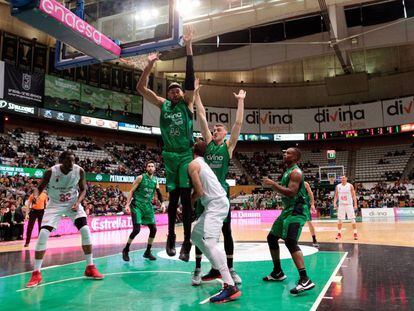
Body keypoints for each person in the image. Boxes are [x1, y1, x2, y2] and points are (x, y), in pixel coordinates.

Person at [137, 26, 195, 261]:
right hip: (169, 155)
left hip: (185, 154)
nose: (174, 92)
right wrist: (149, 65)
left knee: (184, 196)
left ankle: (187, 242)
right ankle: (171, 236)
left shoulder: (187, 103)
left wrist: (189, 46)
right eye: (171, 90)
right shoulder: (164, 105)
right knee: (172, 199)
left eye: (177, 89)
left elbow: (190, 81)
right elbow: (141, 88)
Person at [191, 79, 245, 286]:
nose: (215, 131)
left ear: (225, 134)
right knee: (199, 231)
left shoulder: (228, 147)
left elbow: (238, 124)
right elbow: (202, 115)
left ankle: (229, 268)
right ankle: (198, 269)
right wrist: (196, 94)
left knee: (226, 232)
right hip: (202, 192)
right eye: (214, 130)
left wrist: (240, 101)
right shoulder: (207, 144)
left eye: (219, 129)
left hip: (220, 193)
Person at [26, 151, 103, 288]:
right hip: (54, 205)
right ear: (61, 161)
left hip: (73, 203)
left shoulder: (79, 171)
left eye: (73, 161)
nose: (71, 164)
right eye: (68, 161)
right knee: (43, 234)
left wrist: (78, 202)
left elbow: (83, 189)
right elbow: (38, 188)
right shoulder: (51, 172)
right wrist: (36, 197)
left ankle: (90, 267)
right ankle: (36, 273)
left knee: (85, 230)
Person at [189, 141, 241, 303]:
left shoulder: (193, 164)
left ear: (193, 151)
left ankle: (230, 286)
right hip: (215, 203)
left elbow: (199, 192)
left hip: (216, 205)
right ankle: (217, 269)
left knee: (210, 243)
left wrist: (188, 204)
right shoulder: (203, 163)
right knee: (195, 236)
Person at [262, 148, 315, 295]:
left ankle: (305, 279)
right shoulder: (287, 171)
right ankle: (278, 272)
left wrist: (273, 184)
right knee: (272, 238)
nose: (285, 154)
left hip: (297, 210)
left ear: (296, 157)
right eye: (284, 152)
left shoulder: (296, 172)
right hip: (287, 210)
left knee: (291, 241)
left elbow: (291, 193)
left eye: (289, 153)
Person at [122, 161, 163, 261]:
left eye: (152, 166)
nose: (150, 167)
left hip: (148, 207)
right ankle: (126, 250)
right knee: (136, 230)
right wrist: (127, 204)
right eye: (148, 166)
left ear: (154, 168)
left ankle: (148, 252)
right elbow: (131, 191)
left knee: (153, 229)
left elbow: (158, 193)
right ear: (146, 168)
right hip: (137, 206)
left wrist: (162, 204)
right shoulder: (140, 178)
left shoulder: (155, 180)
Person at [334, 176, 358, 240]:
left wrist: (355, 204)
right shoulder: (338, 186)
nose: (343, 179)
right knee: (340, 220)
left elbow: (354, 196)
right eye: (342, 179)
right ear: (341, 180)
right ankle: (339, 234)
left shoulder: (350, 186)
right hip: (341, 205)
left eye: (344, 178)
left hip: (349, 205)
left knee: (352, 219)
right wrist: (334, 203)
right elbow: (336, 195)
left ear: (346, 179)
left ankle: (355, 234)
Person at [304, 181, 319, 248]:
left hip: (304, 204)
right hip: (295, 204)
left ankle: (314, 239)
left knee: (309, 222)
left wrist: (312, 204)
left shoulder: (305, 184)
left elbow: (311, 194)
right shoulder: (292, 183)